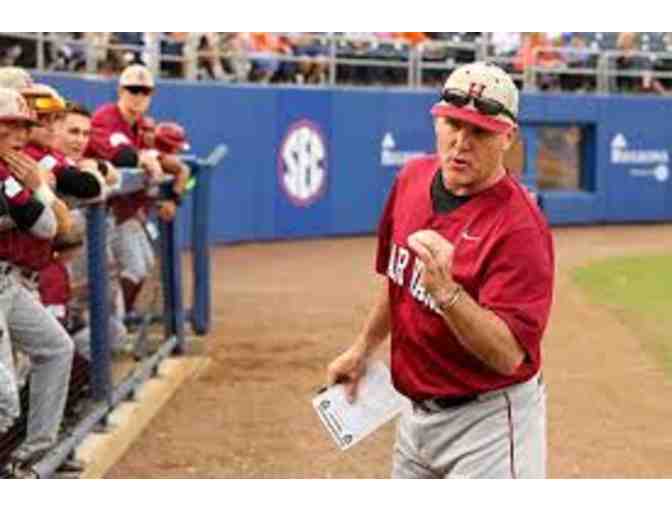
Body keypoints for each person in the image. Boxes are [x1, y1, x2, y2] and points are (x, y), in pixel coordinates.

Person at [326, 62, 554, 479]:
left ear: (508, 138)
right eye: (453, 124)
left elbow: (508, 355)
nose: (461, 143)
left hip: (486, 426)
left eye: (480, 132)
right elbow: (398, 282)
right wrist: (363, 348)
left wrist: (448, 295)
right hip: (414, 419)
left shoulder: (521, 227)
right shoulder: (413, 177)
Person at [0, 88, 74, 478]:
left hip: (9, 283)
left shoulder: (16, 170)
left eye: (23, 126)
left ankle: (24, 460)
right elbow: (50, 224)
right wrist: (34, 194)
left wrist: (34, 188)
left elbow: (52, 227)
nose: (21, 134)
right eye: (10, 125)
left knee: (56, 349)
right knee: (4, 402)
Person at [85, 64, 164, 317]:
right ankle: (108, 324)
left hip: (119, 211)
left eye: (144, 91)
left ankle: (116, 320)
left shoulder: (140, 126)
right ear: (120, 90)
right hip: (92, 212)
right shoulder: (105, 117)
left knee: (144, 265)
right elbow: (121, 156)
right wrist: (145, 158)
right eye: (133, 90)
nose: (138, 97)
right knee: (125, 271)